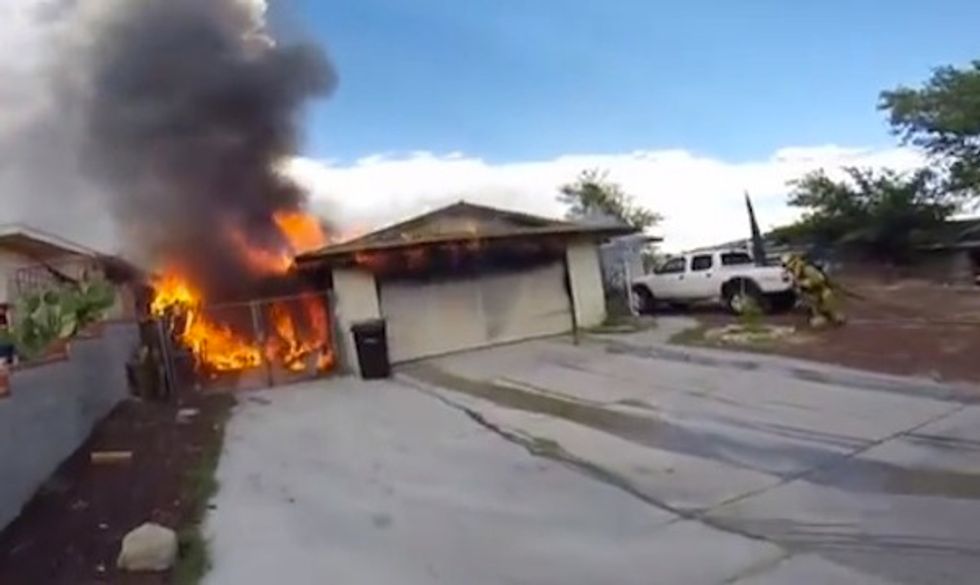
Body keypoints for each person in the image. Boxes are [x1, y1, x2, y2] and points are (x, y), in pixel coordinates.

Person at [781, 253, 845, 327]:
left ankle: (834, 318)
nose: (786, 267)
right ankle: (822, 317)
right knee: (814, 308)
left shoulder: (806, 268)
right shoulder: (795, 270)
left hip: (822, 291)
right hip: (813, 294)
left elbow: (819, 279)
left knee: (831, 311)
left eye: (786, 264)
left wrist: (802, 283)